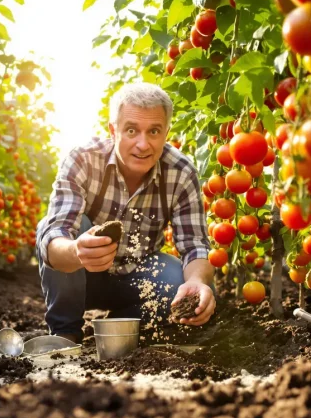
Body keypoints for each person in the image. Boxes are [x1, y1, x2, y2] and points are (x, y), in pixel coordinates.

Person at [35, 82, 216, 344]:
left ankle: (118, 324)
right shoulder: (83, 159)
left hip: (139, 275)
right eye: (131, 130)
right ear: (113, 130)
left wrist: (198, 281)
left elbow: (195, 247)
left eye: (154, 131)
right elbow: (55, 234)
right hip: (81, 278)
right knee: (56, 228)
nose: (143, 144)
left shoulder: (180, 171)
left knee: (196, 294)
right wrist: (77, 250)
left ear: (166, 132)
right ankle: (65, 332)